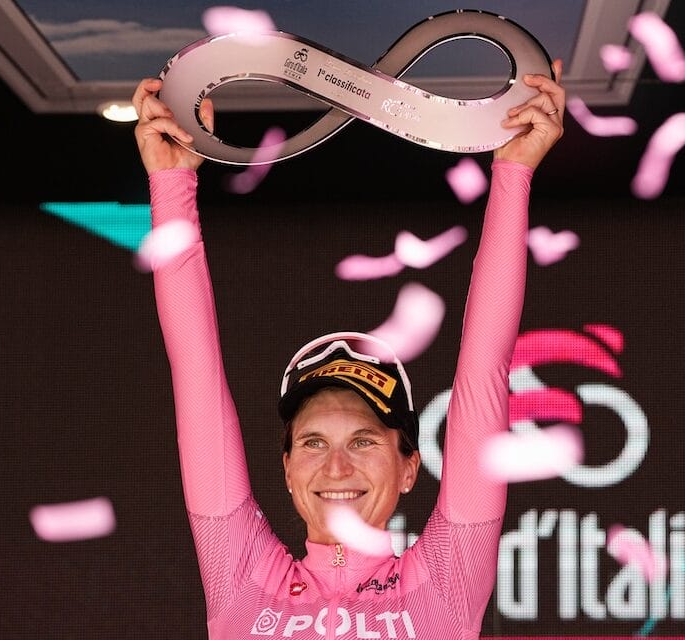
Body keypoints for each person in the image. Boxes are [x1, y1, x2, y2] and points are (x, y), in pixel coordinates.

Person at [133, 58, 565, 639]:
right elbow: (195, 373)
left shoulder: (445, 586)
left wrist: (514, 171)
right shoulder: (243, 580)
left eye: (363, 440)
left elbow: (486, 364)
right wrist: (171, 181)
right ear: (287, 470)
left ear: (409, 468)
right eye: (313, 442)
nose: (336, 467)